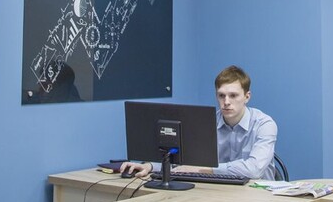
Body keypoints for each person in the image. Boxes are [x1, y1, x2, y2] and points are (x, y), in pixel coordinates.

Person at [120, 65, 280, 181]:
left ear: (247, 97)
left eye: (233, 95)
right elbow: (184, 162)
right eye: (221, 95)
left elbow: (254, 170)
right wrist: (149, 166)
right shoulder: (206, 123)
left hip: (259, 196)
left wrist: (207, 169)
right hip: (218, 192)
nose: (226, 102)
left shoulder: (264, 125)